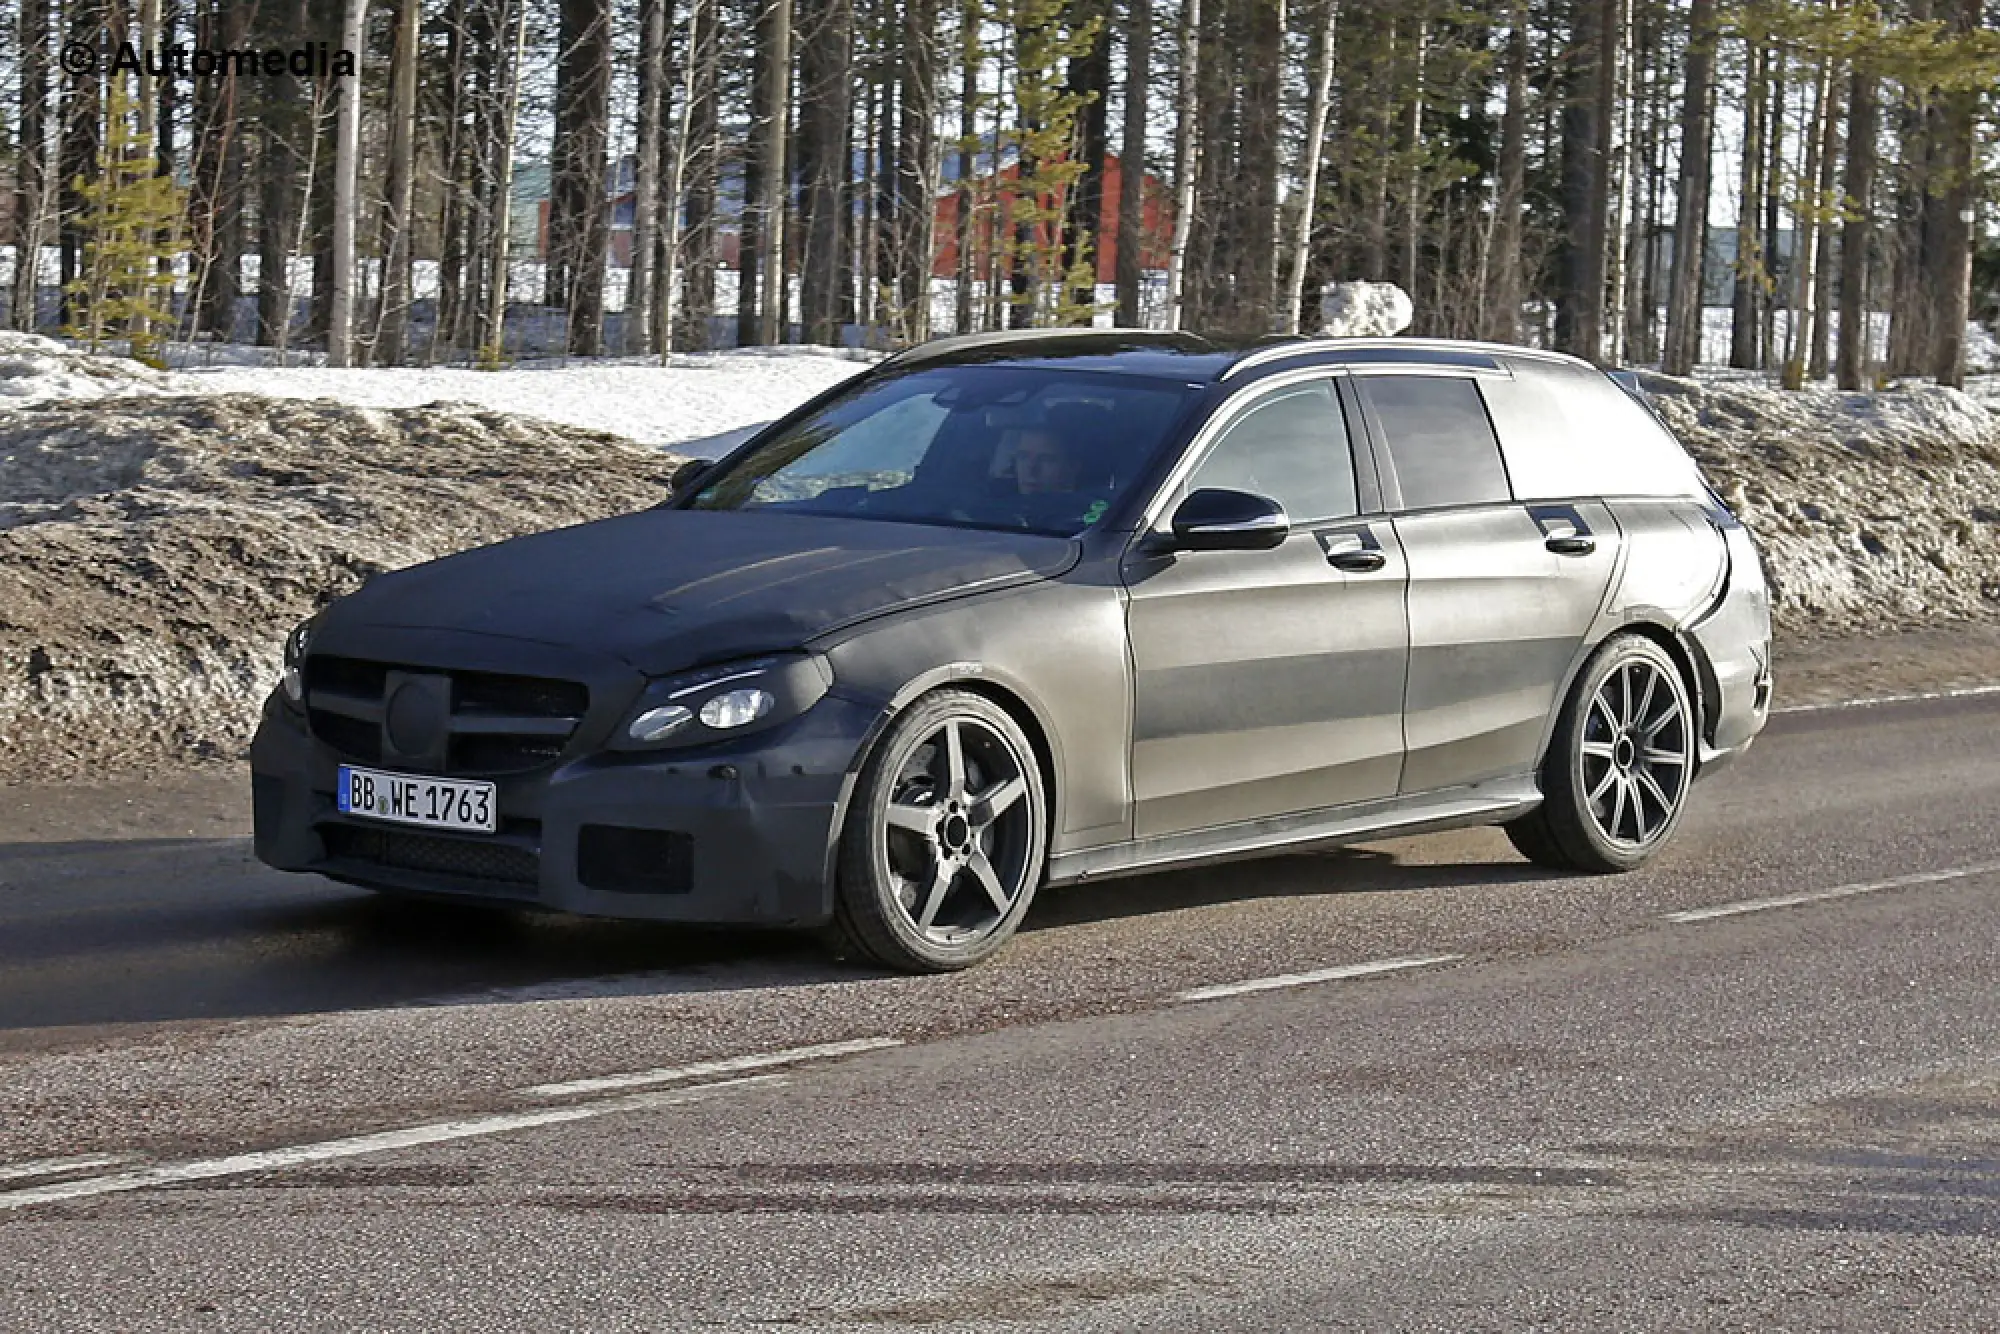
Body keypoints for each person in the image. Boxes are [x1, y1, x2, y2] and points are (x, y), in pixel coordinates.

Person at [1011, 425, 1082, 495]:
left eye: (1045, 459)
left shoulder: (1086, 505)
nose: (1031, 467)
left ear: (1073, 467)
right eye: (1024, 457)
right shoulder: (1004, 500)